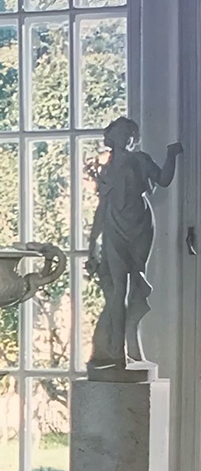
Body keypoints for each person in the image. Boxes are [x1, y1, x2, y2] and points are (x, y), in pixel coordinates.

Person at [85, 116, 182, 369]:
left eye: (130, 133)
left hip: (139, 224)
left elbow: (163, 179)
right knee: (119, 287)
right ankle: (117, 349)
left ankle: (131, 343)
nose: (126, 137)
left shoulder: (140, 159)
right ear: (111, 136)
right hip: (114, 224)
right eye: (121, 132)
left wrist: (171, 155)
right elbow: (102, 206)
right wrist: (93, 242)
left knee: (136, 280)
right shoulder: (107, 168)